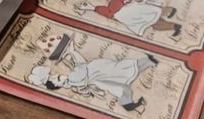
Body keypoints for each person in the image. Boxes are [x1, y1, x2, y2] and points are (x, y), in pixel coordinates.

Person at [28, 41, 158, 114]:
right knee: (123, 72)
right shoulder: (72, 79)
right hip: (99, 73)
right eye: (56, 79)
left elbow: (80, 65)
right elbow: (81, 64)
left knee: (123, 78)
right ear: (58, 85)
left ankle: (129, 103)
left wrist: (71, 53)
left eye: (54, 75)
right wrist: (72, 52)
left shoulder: (70, 80)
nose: (57, 75)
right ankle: (148, 61)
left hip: (99, 71)